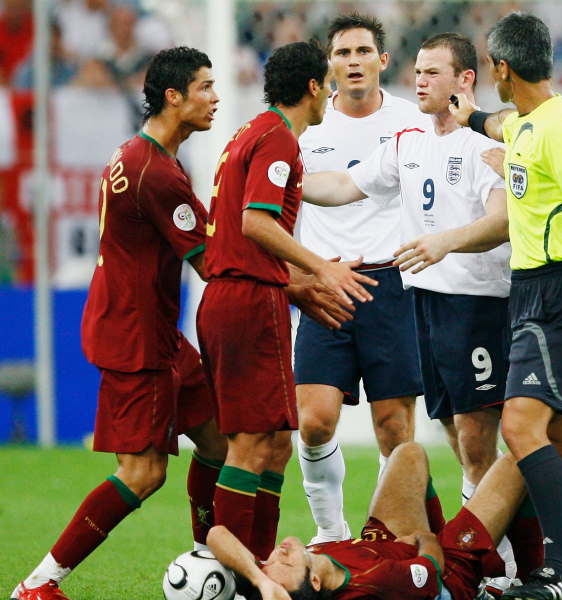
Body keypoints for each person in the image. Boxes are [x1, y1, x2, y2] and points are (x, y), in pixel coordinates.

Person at [300, 34, 516, 590]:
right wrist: (281, 179)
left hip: (476, 302)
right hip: (424, 301)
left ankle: (499, 565)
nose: (420, 81)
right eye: (418, 72)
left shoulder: (484, 143)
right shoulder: (408, 139)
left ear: (465, 81)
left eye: (433, 73)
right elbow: (347, 184)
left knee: (477, 438)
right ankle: (472, 557)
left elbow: (502, 220)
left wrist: (444, 243)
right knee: (450, 430)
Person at [11, 47, 228, 600]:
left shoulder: (136, 154)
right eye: (204, 87)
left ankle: (210, 557)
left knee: (217, 441)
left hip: (151, 328)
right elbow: (211, 263)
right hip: (138, 338)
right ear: (174, 97)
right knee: (143, 473)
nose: (215, 98)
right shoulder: (158, 172)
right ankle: (39, 584)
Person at [450, 12, 562, 600]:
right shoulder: (525, 120)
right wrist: (462, 110)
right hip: (535, 290)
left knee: (521, 426)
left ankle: (561, 574)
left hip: (557, 291)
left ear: (503, 67)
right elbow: (497, 124)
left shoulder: (557, 128)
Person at [196, 41, 377, 562]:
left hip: (250, 295)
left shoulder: (250, 134)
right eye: (329, 81)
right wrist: (323, 269)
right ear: (315, 88)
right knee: (252, 444)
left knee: (275, 443)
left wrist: (297, 290)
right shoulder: (278, 139)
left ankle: (261, 565)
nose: (334, 92)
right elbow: (255, 223)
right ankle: (233, 571)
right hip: (247, 300)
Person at [293, 13, 429, 545]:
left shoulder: (410, 119)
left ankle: (385, 535)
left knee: (394, 427)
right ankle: (330, 531)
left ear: (383, 61)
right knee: (315, 419)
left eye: (363, 52)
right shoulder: (308, 125)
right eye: (343, 53)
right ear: (329, 64)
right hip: (326, 281)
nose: (353, 61)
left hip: (391, 282)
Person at [207, 441, 544, 600]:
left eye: (267, 564)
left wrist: (261, 578)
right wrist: (424, 538)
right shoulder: (376, 583)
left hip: (380, 543)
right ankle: (535, 580)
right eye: (286, 562)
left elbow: (217, 534)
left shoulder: (277, 581)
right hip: (447, 571)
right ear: (314, 583)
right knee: (520, 458)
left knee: (407, 454)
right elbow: (431, 566)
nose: (277, 553)